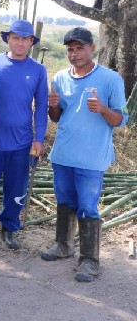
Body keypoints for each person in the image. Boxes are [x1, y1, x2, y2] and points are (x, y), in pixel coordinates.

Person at [41, 27, 128, 282]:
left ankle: (90, 260)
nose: (74, 53)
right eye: (70, 49)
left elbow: (121, 119)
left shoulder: (110, 79)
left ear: (93, 48)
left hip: (91, 158)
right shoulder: (60, 77)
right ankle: (63, 245)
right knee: (64, 201)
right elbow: (56, 118)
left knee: (88, 207)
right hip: (63, 154)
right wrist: (52, 106)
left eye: (80, 48)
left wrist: (102, 109)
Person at [0, 20, 48, 251]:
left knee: (16, 189)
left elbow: (42, 106)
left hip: (21, 143)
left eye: (26, 39)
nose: (20, 43)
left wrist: (39, 138)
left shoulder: (38, 70)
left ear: (31, 42)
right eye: (16, 38)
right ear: (8, 38)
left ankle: (9, 228)